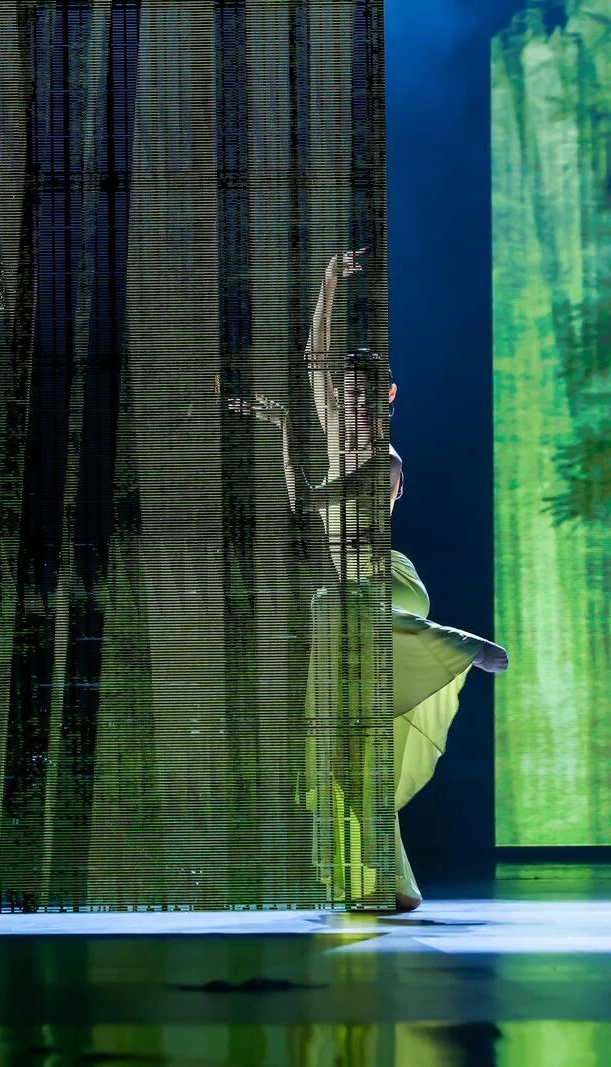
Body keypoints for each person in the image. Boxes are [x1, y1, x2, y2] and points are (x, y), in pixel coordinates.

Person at [230, 251, 508, 911]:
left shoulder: (385, 460)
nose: (350, 402)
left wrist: (290, 439)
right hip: (348, 598)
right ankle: (386, 881)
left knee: (339, 607)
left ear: (388, 397)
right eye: (344, 394)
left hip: (385, 588)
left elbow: (317, 501)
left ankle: (455, 641)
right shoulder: (335, 436)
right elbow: (313, 362)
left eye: (363, 394)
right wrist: (328, 281)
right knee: (348, 750)